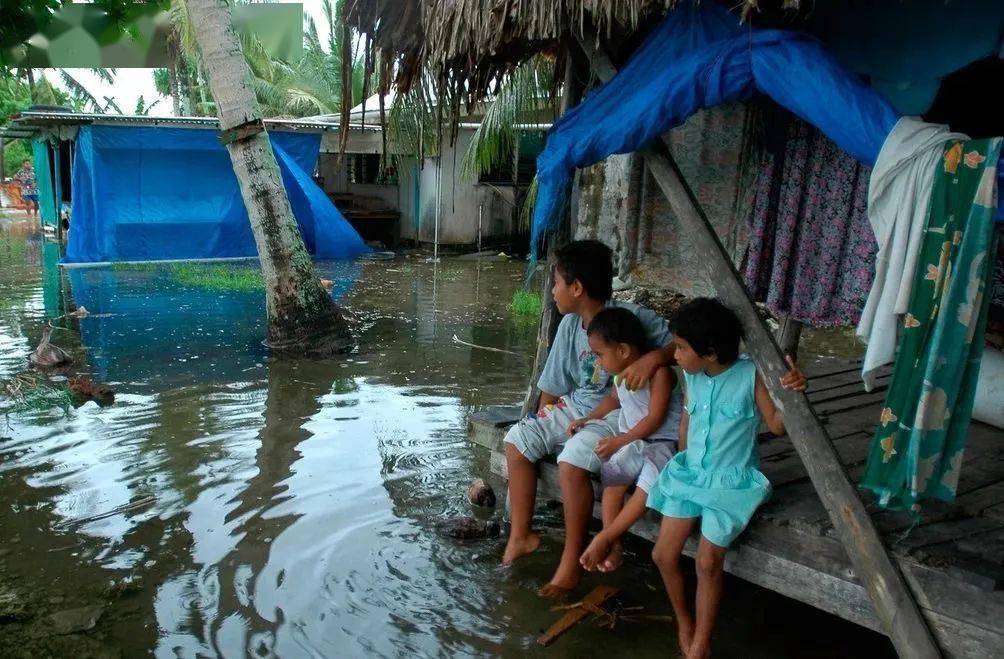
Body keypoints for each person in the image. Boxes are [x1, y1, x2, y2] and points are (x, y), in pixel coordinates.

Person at [501, 240, 675, 598]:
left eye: (556, 283)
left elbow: (682, 344)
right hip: (577, 407)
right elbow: (551, 386)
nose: (552, 291)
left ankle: (571, 561)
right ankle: (521, 536)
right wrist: (541, 424)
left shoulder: (631, 318)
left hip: (616, 414)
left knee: (572, 460)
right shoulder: (568, 326)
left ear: (577, 287)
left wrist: (653, 358)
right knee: (517, 441)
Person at [645, 297, 806, 658]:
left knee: (707, 561)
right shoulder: (692, 375)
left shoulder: (752, 376)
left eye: (682, 348)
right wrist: (683, 458)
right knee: (663, 554)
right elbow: (688, 420)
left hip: (731, 483)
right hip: (692, 474)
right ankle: (684, 621)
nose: (676, 355)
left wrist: (791, 391)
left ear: (712, 352)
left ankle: (702, 640)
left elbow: (778, 426)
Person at [568, 307, 684, 574]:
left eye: (600, 355)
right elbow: (612, 401)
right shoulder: (620, 376)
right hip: (634, 442)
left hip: (663, 443)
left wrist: (620, 441)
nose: (597, 362)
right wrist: (588, 419)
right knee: (612, 483)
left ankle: (606, 537)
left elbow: (655, 420)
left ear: (622, 351)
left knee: (646, 487)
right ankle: (615, 544)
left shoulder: (660, 374)